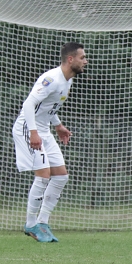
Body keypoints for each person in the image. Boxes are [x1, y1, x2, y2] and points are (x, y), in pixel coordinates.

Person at [12, 42, 88, 243]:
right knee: (44, 175)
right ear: (70, 59)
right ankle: (30, 224)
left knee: (61, 176)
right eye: (82, 58)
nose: (85, 61)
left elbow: (49, 107)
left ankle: (43, 222)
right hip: (28, 129)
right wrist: (34, 133)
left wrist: (59, 126)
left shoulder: (67, 81)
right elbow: (29, 104)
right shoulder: (51, 79)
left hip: (44, 130)